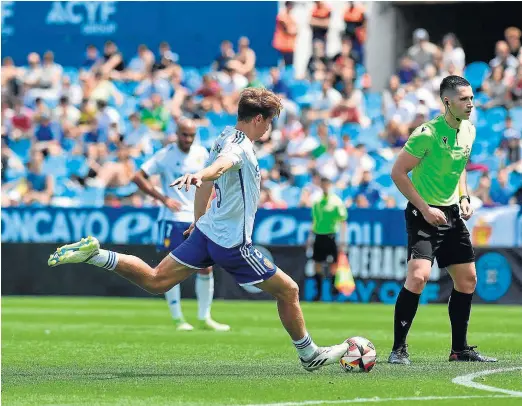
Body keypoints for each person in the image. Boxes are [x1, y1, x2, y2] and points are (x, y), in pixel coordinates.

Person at [47, 88, 348, 371]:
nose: (270, 127)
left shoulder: (224, 135)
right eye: (269, 121)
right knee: (289, 290)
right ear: (258, 119)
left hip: (206, 231)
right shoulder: (239, 147)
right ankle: (309, 355)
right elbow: (215, 170)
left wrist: (197, 216)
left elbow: (208, 181)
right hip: (232, 243)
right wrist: (199, 175)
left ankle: (96, 255)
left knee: (156, 280)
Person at [389, 75, 497, 364]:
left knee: (468, 280)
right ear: (447, 101)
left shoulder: (469, 131)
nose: (471, 103)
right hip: (423, 214)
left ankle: (459, 350)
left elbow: (460, 167)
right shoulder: (427, 133)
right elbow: (398, 173)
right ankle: (398, 349)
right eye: (464, 99)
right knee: (418, 277)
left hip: (450, 214)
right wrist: (425, 209)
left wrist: (464, 196)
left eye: (472, 98)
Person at [132, 118, 230, 332]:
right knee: (171, 268)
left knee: (206, 267)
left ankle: (204, 318)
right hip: (173, 218)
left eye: (191, 135)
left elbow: (212, 180)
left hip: (197, 217)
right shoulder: (165, 155)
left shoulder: (202, 154)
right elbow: (138, 176)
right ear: (176, 133)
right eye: (184, 134)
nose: (187, 139)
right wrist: (163, 198)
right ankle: (178, 319)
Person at [306, 177, 347, 301]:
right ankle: (318, 293)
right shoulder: (317, 201)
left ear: (330, 185)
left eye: (327, 185)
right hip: (319, 235)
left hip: (331, 236)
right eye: (323, 185)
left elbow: (343, 222)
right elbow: (314, 221)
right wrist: (310, 238)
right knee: (317, 264)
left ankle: (333, 291)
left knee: (333, 264)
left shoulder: (336, 201)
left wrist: (343, 240)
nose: (325, 187)